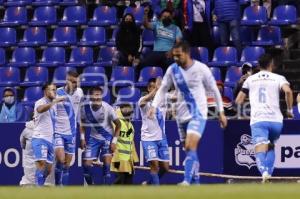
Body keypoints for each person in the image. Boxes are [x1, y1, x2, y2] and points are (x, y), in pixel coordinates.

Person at [149, 41, 227, 185]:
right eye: (174, 56)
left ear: (187, 53)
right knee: (188, 149)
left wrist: (221, 112)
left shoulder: (201, 68)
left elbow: (215, 90)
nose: (176, 59)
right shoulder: (173, 69)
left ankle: (186, 181)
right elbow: (163, 89)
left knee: (191, 146)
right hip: (181, 115)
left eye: (179, 56)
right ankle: (196, 183)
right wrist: (154, 106)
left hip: (198, 113)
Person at [235, 53, 294, 182]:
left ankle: (264, 172)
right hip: (276, 120)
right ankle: (269, 175)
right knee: (271, 146)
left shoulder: (250, 80)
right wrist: (289, 110)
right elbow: (288, 91)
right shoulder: (279, 77)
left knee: (260, 147)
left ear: (259, 65)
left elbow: (239, 100)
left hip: (258, 119)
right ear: (271, 64)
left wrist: (241, 114)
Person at [80, 86, 121, 185]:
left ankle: (105, 192)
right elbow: (82, 122)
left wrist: (114, 141)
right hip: (93, 139)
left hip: (107, 138)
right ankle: (92, 187)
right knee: (86, 166)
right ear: (90, 97)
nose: (98, 97)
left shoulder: (108, 108)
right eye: (95, 95)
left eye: (99, 95)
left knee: (107, 166)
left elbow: (119, 125)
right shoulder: (85, 108)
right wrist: (82, 138)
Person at [54, 71, 84, 186]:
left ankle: (63, 191)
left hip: (72, 133)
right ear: (66, 80)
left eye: (75, 82)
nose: (73, 84)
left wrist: (82, 137)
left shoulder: (80, 93)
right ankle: (57, 186)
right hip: (58, 132)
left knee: (67, 165)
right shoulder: (57, 92)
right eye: (71, 81)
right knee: (61, 160)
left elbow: (80, 116)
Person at [31, 83, 65, 186]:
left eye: (55, 90)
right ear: (45, 91)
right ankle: (38, 191)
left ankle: (39, 183)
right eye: (52, 90)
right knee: (41, 163)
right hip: (39, 137)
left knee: (48, 170)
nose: (55, 92)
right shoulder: (39, 102)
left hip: (50, 140)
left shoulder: (54, 106)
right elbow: (40, 109)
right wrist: (54, 102)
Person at [139, 78, 169, 185]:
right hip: (148, 138)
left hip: (162, 138)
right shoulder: (143, 100)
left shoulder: (163, 100)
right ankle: (156, 192)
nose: (155, 89)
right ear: (148, 88)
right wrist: (156, 89)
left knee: (165, 168)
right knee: (154, 165)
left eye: (156, 86)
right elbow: (147, 99)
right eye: (152, 87)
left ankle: (149, 183)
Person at [20, 119, 55, 186]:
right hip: (29, 168)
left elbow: (22, 144)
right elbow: (22, 144)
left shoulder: (48, 130)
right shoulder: (27, 130)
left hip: (41, 172)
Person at [111, 102, 139, 185]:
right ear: (120, 109)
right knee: (120, 180)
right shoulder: (115, 122)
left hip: (128, 160)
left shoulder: (130, 126)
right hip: (118, 157)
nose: (128, 110)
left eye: (130, 109)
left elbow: (131, 143)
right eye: (126, 108)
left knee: (128, 182)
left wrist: (135, 158)